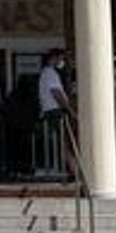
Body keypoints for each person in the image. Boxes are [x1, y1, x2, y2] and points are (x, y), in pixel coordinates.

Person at [37, 50, 77, 179]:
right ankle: (74, 171)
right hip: (55, 111)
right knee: (66, 141)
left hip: (51, 110)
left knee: (64, 141)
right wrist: (71, 111)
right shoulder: (50, 73)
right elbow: (57, 94)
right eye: (60, 59)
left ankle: (72, 170)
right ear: (52, 59)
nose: (62, 62)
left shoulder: (46, 73)